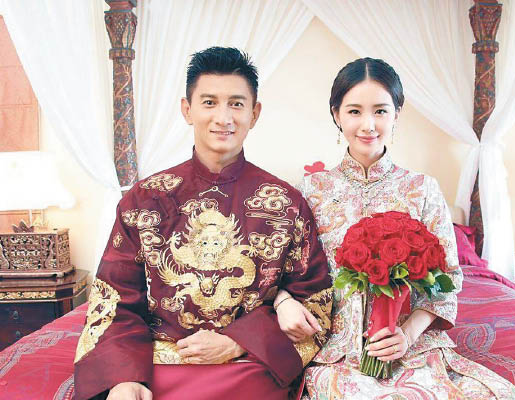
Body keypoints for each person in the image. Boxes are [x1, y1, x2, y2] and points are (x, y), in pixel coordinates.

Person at [73, 47, 333, 400]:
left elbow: (314, 302)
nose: (223, 117)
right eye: (209, 102)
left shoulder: (285, 203)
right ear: (187, 109)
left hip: (245, 366)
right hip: (156, 363)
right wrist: (124, 379)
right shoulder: (145, 199)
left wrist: (237, 342)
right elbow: (115, 298)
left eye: (236, 104)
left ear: (254, 113)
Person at [276, 58, 515, 399]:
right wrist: (284, 302)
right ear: (336, 114)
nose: (368, 125)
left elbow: (446, 281)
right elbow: (280, 272)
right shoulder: (310, 190)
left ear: (397, 113)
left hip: (411, 345)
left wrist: (407, 335)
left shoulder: (422, 189)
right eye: (354, 111)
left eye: (380, 111)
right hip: (335, 349)